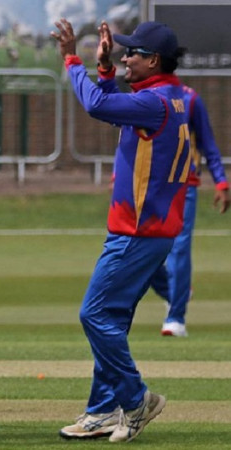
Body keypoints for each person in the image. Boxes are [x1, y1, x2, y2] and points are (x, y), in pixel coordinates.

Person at [52, 19, 190, 442]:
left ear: (154, 60)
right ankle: (102, 409)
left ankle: (134, 398)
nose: (125, 57)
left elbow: (96, 105)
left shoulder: (154, 102)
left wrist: (72, 59)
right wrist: (106, 70)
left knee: (94, 315)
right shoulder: (168, 97)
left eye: (132, 53)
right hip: (148, 231)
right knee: (112, 318)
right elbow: (113, 105)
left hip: (137, 232)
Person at [149, 87, 229, 337]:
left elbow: (208, 143)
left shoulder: (190, 99)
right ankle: (176, 292)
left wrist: (221, 182)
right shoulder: (143, 96)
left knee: (179, 247)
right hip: (149, 186)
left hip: (185, 184)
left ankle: (175, 318)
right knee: (143, 251)